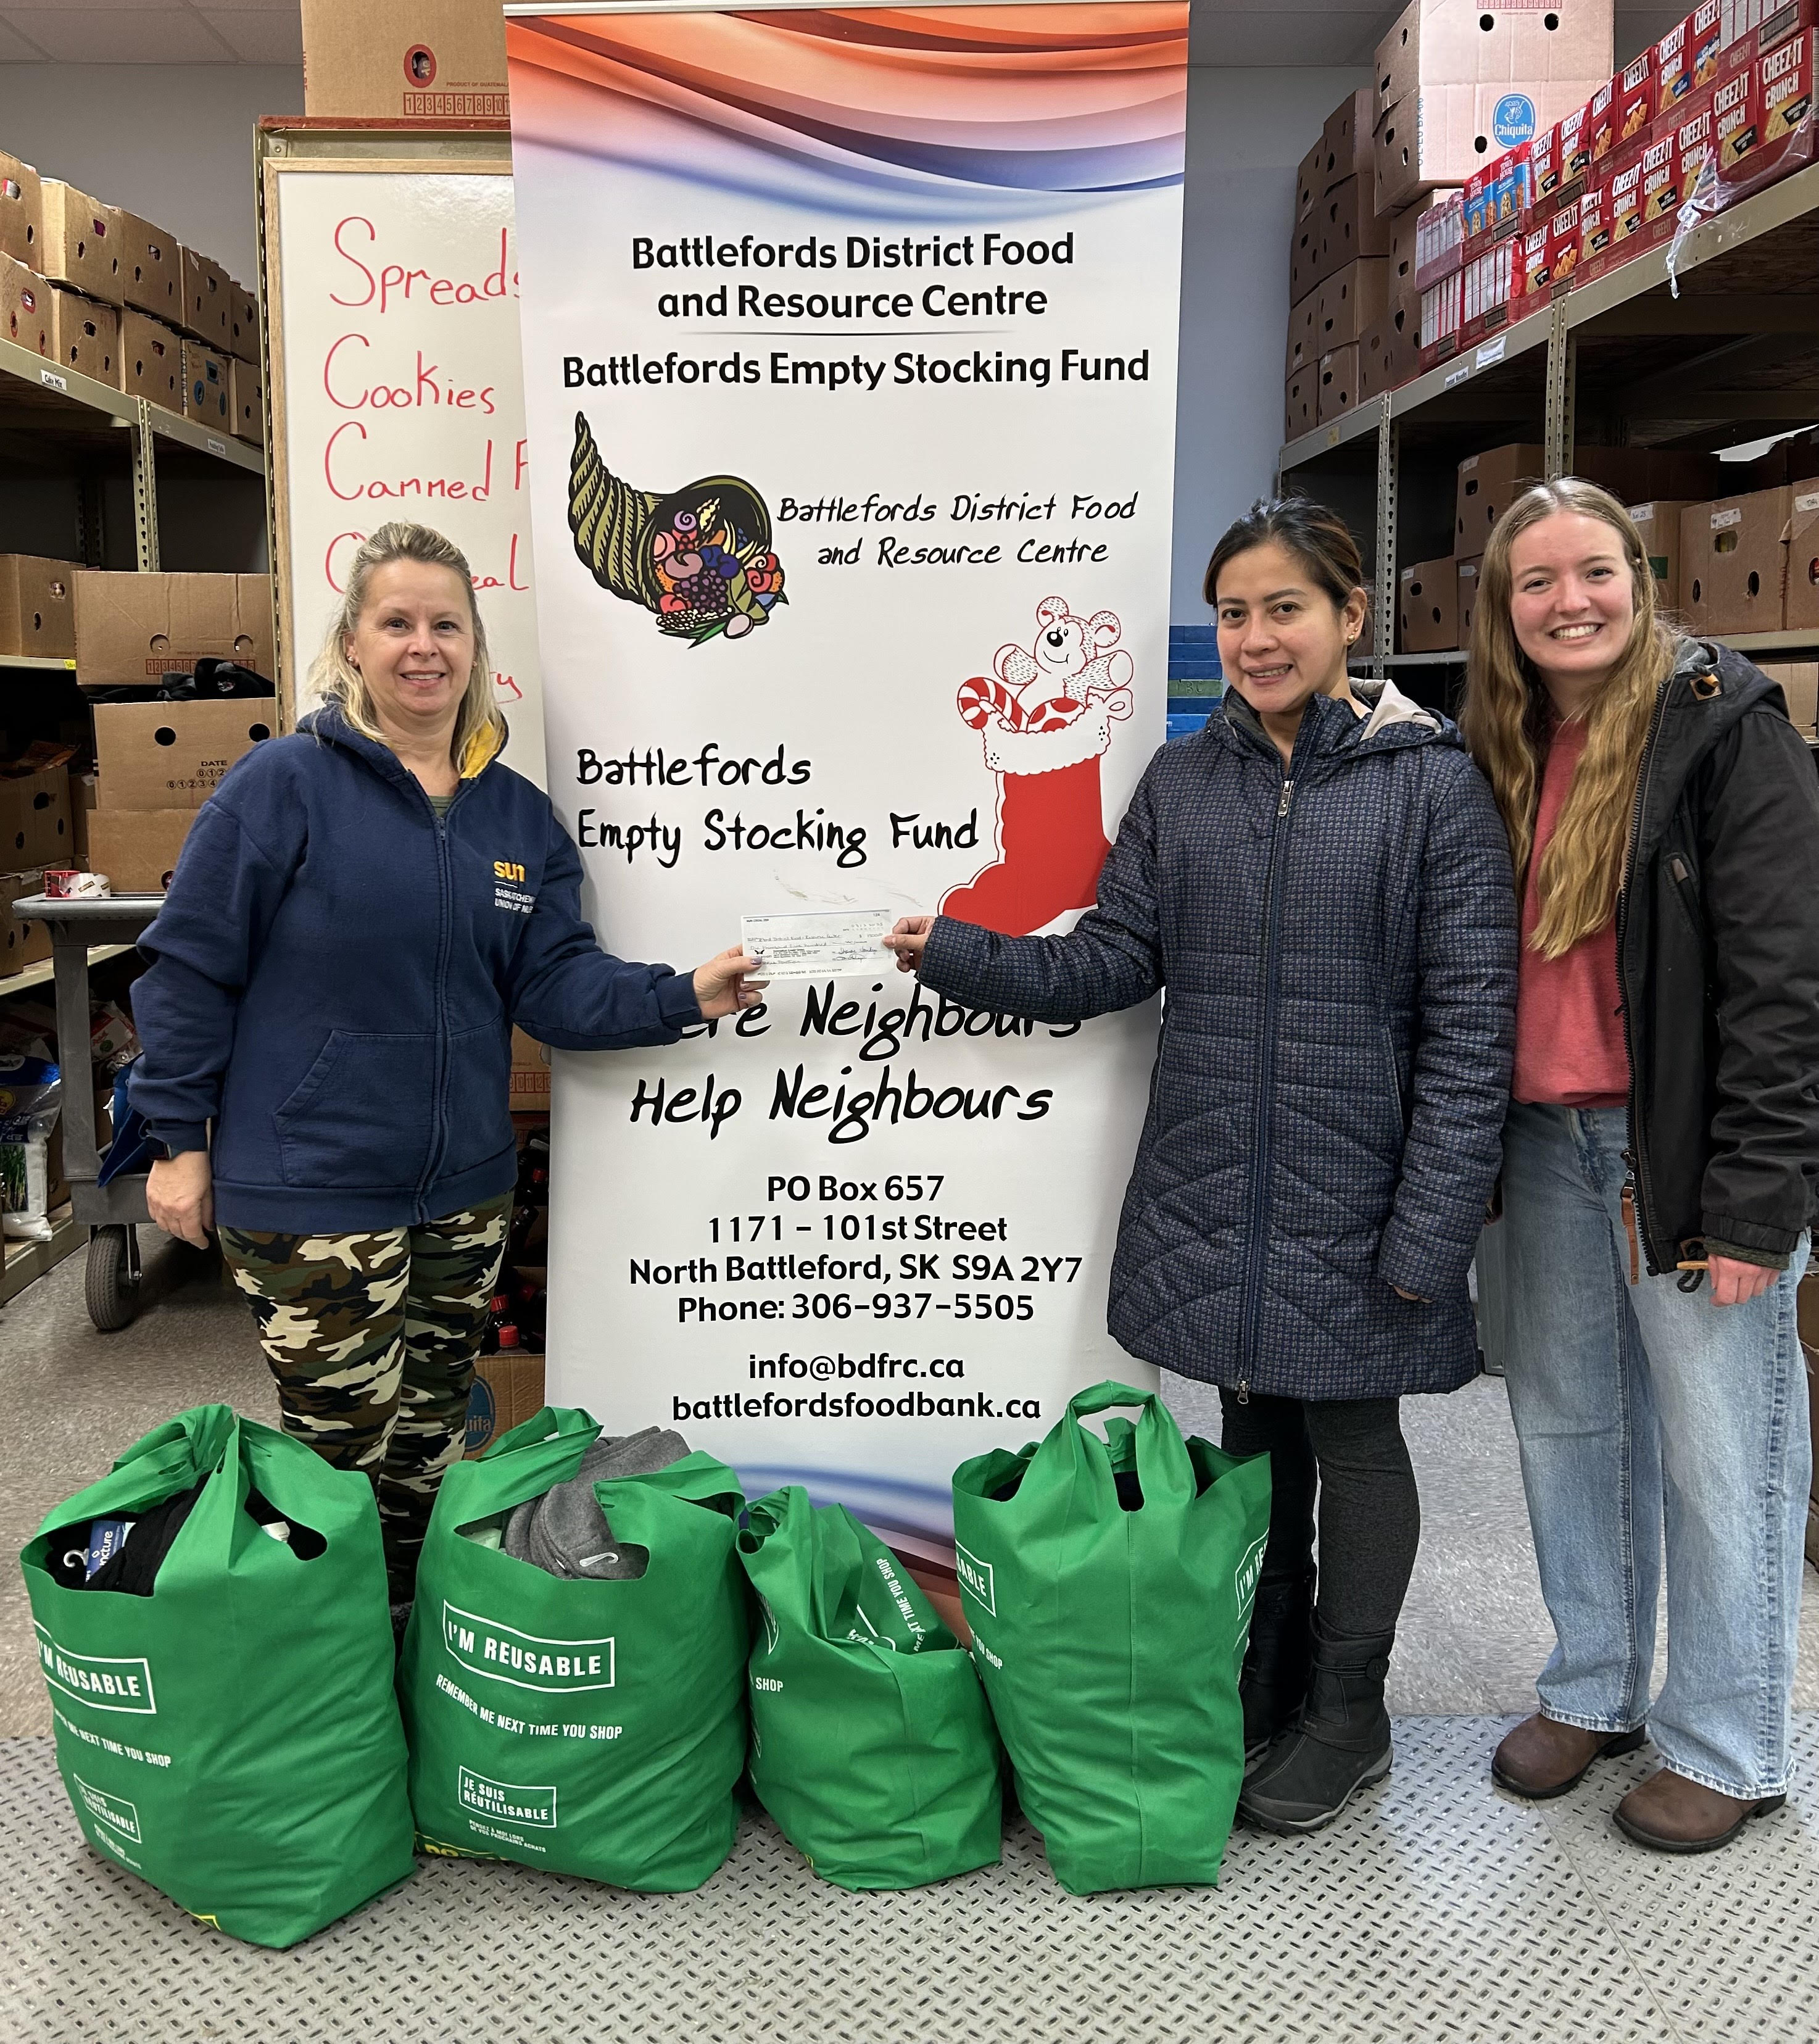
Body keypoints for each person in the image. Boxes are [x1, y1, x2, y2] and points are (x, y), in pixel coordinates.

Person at [885, 499, 1518, 1832]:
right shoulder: (1184, 784)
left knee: (1355, 1441)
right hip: (1216, 1182)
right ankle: (1263, 1674)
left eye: (1285, 608)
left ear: (1350, 616)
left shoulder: (1433, 788)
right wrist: (954, 951)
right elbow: (1114, 960)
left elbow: (1473, 1027)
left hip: (1362, 1192)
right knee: (1251, 1438)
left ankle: (1348, 1714)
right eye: (1234, 614)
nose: (1256, 638)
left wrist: (1432, 1224)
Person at [130, 521, 758, 1617]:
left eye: (446, 625)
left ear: (475, 647)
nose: (424, 647)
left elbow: (553, 985)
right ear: (354, 643)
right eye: (397, 623)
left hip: (463, 1192)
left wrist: (683, 995)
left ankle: (414, 1644)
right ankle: (328, 1663)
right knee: (336, 1462)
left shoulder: (516, 817)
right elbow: (189, 968)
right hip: (313, 1191)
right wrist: (178, 1143)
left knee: (430, 1446)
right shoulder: (282, 786)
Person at [1461, 479, 1819, 1853]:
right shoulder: (1498, 743)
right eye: (1537, 581)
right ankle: (1595, 1686)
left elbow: (1785, 988)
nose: (1571, 602)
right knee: (1569, 1429)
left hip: (1676, 1149)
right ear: (1505, 609)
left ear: (1640, 579)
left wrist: (1757, 1201)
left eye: (1595, 571)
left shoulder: (1726, 730)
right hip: (1543, 1143)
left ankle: (1729, 1743)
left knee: (1724, 1454)